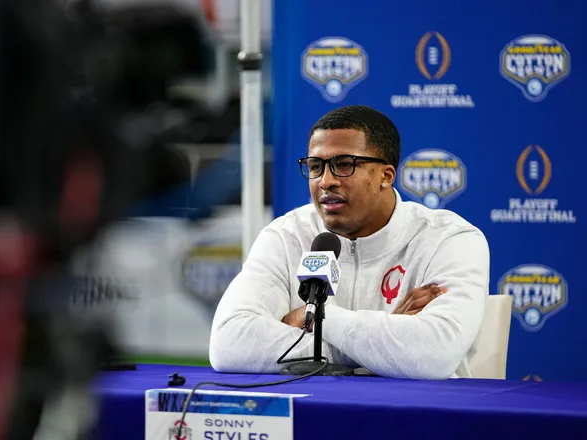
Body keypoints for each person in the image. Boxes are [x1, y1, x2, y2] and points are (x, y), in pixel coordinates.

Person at [209, 105, 490, 380]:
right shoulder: (286, 235)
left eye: (344, 165)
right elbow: (229, 343)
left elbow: (433, 355)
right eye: (316, 166)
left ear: (386, 176)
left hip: (423, 416)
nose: (325, 181)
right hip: (314, 414)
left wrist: (315, 318)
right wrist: (385, 343)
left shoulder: (450, 239)